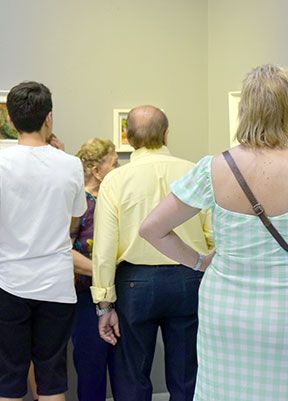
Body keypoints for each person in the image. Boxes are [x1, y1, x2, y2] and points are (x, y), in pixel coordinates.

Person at [140, 65, 288, 401]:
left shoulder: (214, 166)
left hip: (225, 308)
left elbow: (152, 228)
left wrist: (198, 262)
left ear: (245, 108)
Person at [0, 81, 86, 401]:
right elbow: (74, 221)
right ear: (49, 118)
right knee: (52, 375)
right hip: (56, 285)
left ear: (12, 122)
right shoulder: (71, 164)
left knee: (9, 374)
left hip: (10, 282)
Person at [91, 105, 213, 401]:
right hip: (189, 278)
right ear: (167, 133)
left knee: (131, 376)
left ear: (129, 138)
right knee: (188, 377)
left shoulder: (115, 181)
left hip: (135, 283)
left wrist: (104, 304)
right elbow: (212, 235)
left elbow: (104, 250)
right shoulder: (194, 172)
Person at [70, 138, 118, 401]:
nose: (119, 169)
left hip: (121, 294)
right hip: (86, 298)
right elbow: (64, 251)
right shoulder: (78, 203)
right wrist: (103, 274)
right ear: (95, 170)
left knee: (125, 370)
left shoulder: (117, 199)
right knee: (91, 370)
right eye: (114, 164)